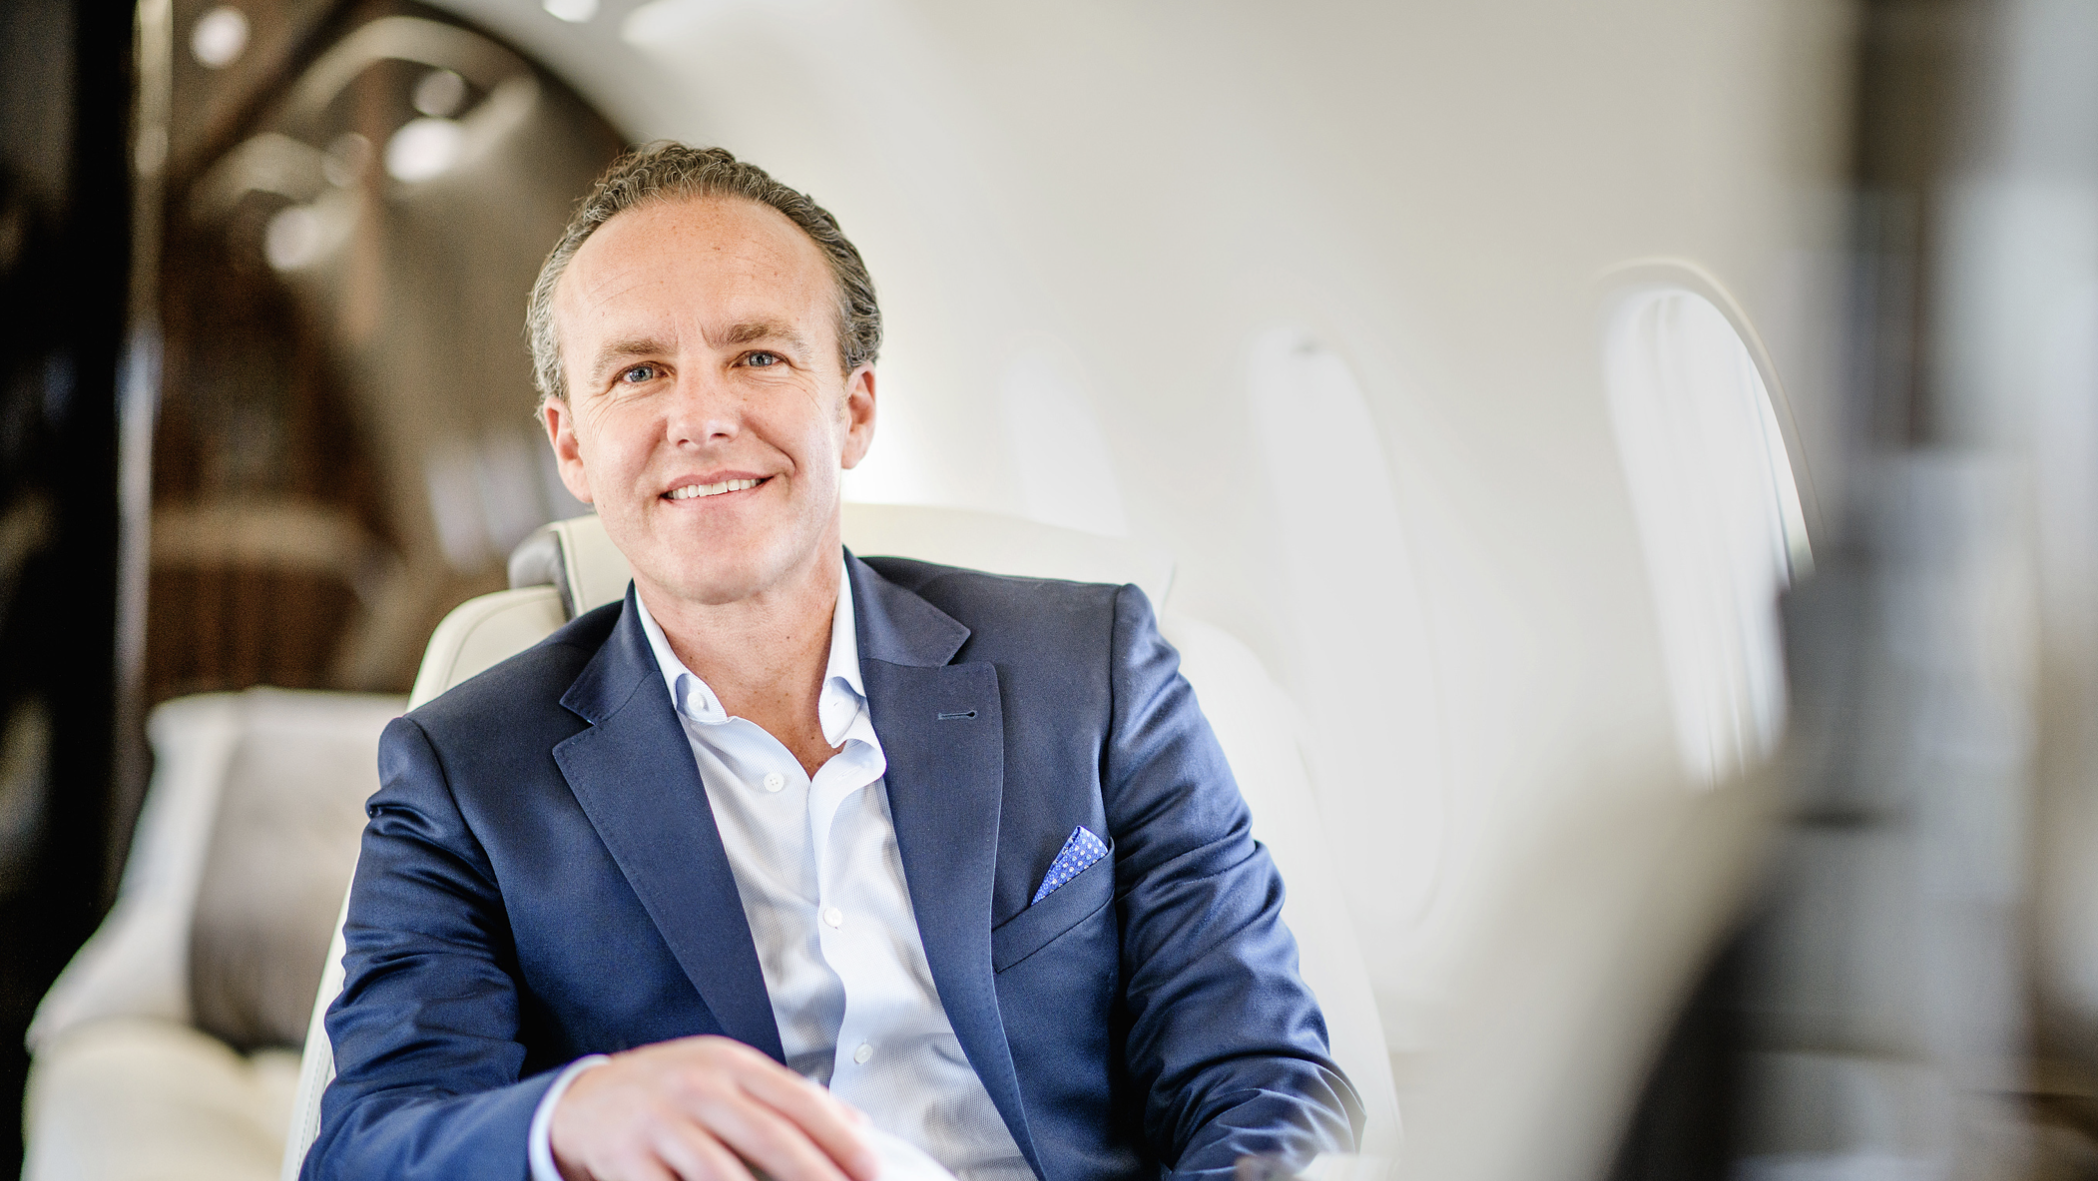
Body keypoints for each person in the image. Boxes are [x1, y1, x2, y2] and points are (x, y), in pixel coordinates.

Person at [303, 143, 1360, 1181]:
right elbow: (370, 1145)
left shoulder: (1094, 670)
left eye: (758, 356)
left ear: (853, 409)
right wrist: (570, 1116)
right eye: (639, 372)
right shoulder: (463, 773)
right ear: (571, 444)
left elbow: (1258, 1077)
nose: (701, 418)